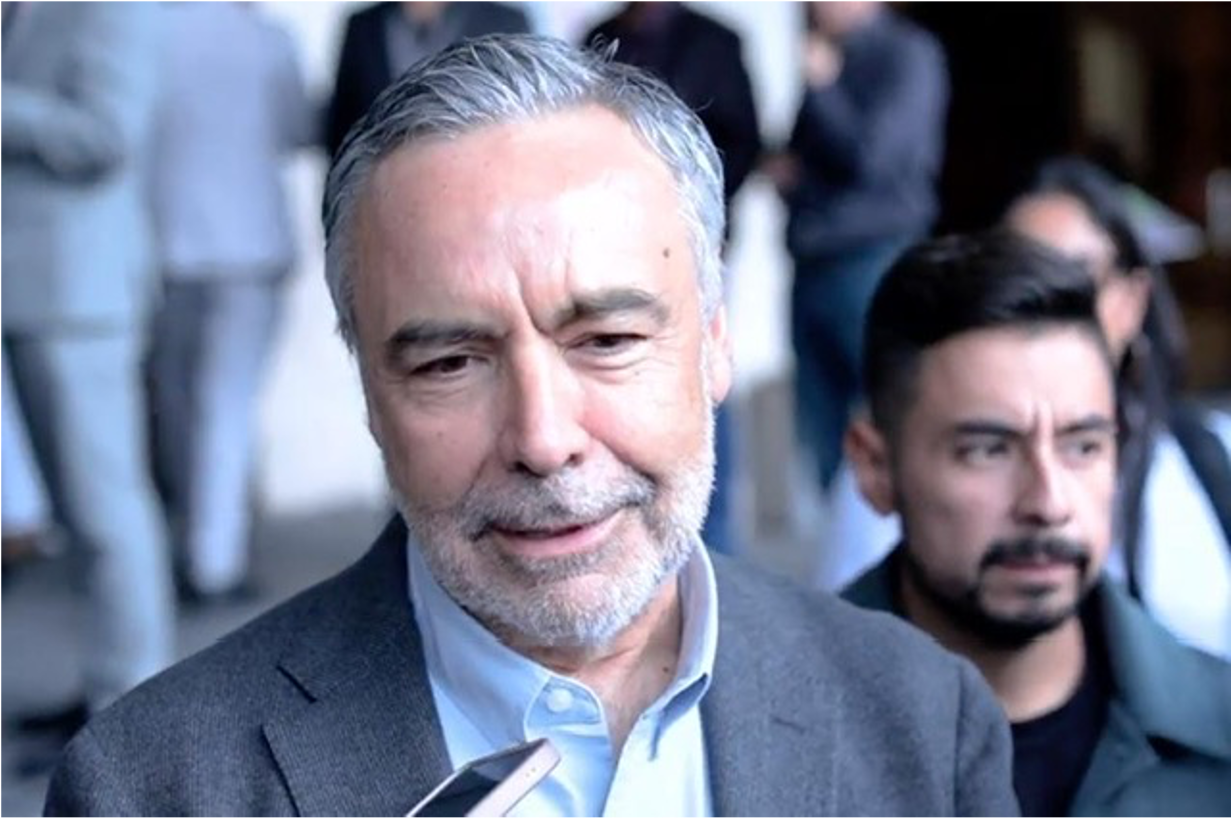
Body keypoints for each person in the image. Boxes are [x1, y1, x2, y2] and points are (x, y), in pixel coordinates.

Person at [47, 35, 1016, 815]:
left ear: (714, 341)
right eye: (449, 362)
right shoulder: (153, 787)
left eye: (606, 340)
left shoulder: (921, 718)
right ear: (370, 393)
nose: (544, 439)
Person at [842, 232, 1231, 817]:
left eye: (1082, 446)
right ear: (876, 468)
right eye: (988, 450)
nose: (1048, 503)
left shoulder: (1216, 732)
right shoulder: (759, 734)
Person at [1, 0, 175, 752]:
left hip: (79, 295)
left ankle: (130, 707)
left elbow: (107, 135)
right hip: (37, 290)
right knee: (82, 518)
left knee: (107, 514)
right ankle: (109, 685)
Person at [1005, 157, 1230, 659]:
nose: (1047, 309)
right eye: (1020, 279)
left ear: (1132, 300)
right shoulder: (930, 463)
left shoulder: (1207, 456)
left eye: (1076, 281)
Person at [147, 0, 315, 604]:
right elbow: (298, 129)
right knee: (228, 407)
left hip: (168, 244)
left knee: (176, 406)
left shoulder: (147, 30)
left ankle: (187, 543)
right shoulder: (267, 37)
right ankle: (214, 561)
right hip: (250, 245)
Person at [584, 0, 762, 554]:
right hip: (611, 244)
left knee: (703, 377)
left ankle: (716, 542)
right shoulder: (599, 35)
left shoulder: (717, 39)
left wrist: (699, 212)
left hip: (696, 239)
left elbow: (744, 140)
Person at [765, 0, 948, 493]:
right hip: (811, 261)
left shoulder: (907, 53)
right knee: (818, 426)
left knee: (888, 406)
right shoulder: (830, 52)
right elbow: (805, 158)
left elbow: (874, 159)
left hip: (872, 259)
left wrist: (825, 87)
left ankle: (895, 527)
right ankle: (839, 532)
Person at [325, 0, 530, 158]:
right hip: (384, 183)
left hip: (478, 177)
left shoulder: (505, 21)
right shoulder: (364, 25)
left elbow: (522, 120)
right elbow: (342, 129)